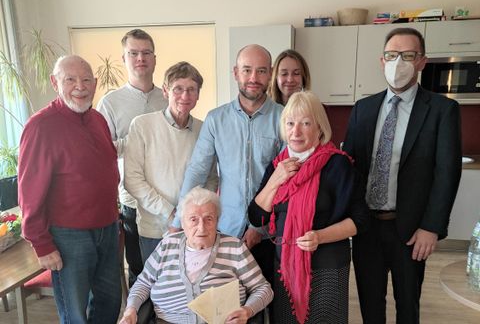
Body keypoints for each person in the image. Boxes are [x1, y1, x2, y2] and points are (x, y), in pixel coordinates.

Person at [343, 27, 462, 323]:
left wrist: (431, 227)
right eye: (392, 55)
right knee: (370, 305)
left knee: (408, 306)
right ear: (382, 61)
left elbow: (447, 172)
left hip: (411, 230)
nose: (399, 62)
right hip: (366, 227)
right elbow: (350, 168)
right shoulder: (363, 108)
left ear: (422, 61)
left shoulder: (441, 110)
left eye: (408, 55)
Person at [248, 91, 368, 324]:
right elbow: (256, 217)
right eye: (290, 123)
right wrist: (276, 180)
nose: (296, 131)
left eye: (305, 123)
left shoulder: (338, 164)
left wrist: (320, 237)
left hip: (327, 266)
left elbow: (361, 220)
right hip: (285, 267)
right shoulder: (278, 165)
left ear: (319, 128)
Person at [18, 55, 121, 323]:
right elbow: (29, 191)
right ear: (55, 82)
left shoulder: (97, 119)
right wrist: (41, 243)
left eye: (86, 79)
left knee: (110, 302)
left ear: (95, 84)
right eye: (70, 79)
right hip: (68, 236)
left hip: (108, 228)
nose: (80, 86)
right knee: (75, 312)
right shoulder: (41, 126)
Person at [171, 44, 284, 284]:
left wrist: (260, 229)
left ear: (270, 73)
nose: (253, 78)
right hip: (225, 231)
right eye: (246, 70)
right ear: (235, 73)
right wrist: (178, 221)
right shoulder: (216, 119)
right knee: (226, 303)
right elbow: (198, 171)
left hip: (269, 233)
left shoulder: (284, 118)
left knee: (265, 302)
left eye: (261, 71)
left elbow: (286, 181)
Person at [118, 186, 273, 324]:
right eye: (193, 219)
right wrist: (131, 309)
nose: (201, 227)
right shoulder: (167, 245)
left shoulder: (234, 247)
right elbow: (143, 283)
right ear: (183, 223)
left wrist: (247, 310)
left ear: (217, 221)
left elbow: (263, 289)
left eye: (209, 219)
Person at [124, 61, 217, 263]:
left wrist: (193, 215)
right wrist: (171, 212)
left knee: (194, 290)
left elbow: (211, 179)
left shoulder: (205, 129)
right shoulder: (142, 125)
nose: (185, 96)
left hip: (193, 230)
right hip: (154, 230)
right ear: (166, 91)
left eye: (191, 90)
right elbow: (132, 179)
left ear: (198, 94)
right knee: (156, 290)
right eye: (178, 89)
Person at [97, 29, 167, 286]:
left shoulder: (168, 97)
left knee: (169, 266)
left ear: (155, 58)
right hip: (133, 200)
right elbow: (103, 150)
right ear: (124, 58)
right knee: (139, 268)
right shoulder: (110, 102)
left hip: (167, 196)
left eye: (146, 53)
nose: (140, 58)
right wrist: (137, 140)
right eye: (133, 53)